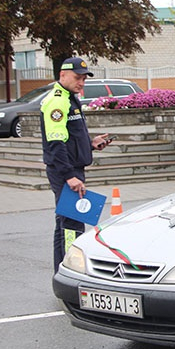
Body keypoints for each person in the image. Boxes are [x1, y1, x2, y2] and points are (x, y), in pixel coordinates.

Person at [41, 57, 112, 272]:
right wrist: (70, 176)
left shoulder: (70, 98)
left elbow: (68, 138)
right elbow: (55, 144)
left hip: (71, 168)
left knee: (63, 223)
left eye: (83, 79)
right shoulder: (57, 100)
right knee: (72, 225)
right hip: (65, 172)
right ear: (62, 75)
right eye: (77, 78)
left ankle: (60, 270)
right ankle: (72, 272)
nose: (81, 83)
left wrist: (89, 144)